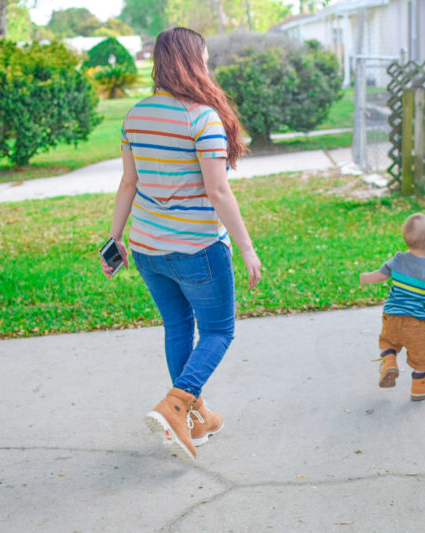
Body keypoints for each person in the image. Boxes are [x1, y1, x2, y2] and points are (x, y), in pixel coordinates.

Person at [100, 27, 261, 461]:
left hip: (148, 249)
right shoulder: (201, 118)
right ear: (194, 62)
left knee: (177, 327)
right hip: (198, 250)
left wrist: (115, 237)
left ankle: (195, 419)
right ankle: (176, 404)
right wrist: (247, 248)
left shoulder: (135, 115)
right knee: (217, 331)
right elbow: (218, 191)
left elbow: (129, 181)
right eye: (204, 59)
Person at [359, 213, 425, 401]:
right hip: (416, 323)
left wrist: (364, 278)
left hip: (391, 316)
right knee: (420, 355)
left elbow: (380, 275)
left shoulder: (398, 259)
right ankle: (421, 386)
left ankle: (389, 361)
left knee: (388, 342)